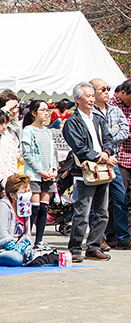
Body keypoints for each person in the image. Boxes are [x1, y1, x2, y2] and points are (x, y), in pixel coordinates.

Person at [62, 82, 118, 262]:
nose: (92, 99)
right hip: (84, 171)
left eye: (93, 96)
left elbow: (109, 139)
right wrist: (100, 156)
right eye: (88, 96)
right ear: (77, 99)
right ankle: (75, 248)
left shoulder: (98, 118)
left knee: (102, 212)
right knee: (82, 212)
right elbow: (79, 148)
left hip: (103, 169)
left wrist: (107, 153)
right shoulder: (72, 122)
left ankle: (93, 246)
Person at [92, 78, 131, 250]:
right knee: (100, 203)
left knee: (123, 199)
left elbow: (125, 130)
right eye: (103, 89)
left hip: (118, 158)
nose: (107, 92)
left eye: (108, 88)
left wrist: (109, 133)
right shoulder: (90, 112)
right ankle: (100, 238)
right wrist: (109, 135)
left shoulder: (114, 110)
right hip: (100, 160)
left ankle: (124, 237)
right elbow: (95, 136)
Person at [107, 78, 131, 245]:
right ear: (122, 92)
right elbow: (117, 128)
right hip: (118, 157)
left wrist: (128, 126)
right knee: (116, 199)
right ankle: (112, 235)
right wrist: (128, 126)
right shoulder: (111, 105)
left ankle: (130, 235)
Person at [21, 100, 57, 246]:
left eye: (47, 110)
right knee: (34, 208)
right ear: (34, 113)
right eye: (43, 110)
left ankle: (40, 241)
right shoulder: (28, 130)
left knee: (44, 208)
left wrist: (53, 170)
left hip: (48, 176)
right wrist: (40, 171)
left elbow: (52, 153)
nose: (46, 113)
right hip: (35, 176)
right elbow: (27, 154)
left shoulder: (48, 131)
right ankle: (27, 237)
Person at [0, 174, 33, 266]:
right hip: (4, 248)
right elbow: (2, 234)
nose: (28, 194)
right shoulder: (3, 206)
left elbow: (28, 234)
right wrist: (14, 248)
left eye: (29, 191)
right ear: (13, 195)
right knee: (16, 258)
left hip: (18, 247)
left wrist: (25, 243)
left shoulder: (25, 207)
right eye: (24, 191)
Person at [0, 110, 19, 184]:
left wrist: (14, 176)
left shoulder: (7, 139)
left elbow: (12, 159)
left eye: (5, 123)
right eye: (1, 123)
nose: (4, 127)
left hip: (8, 179)